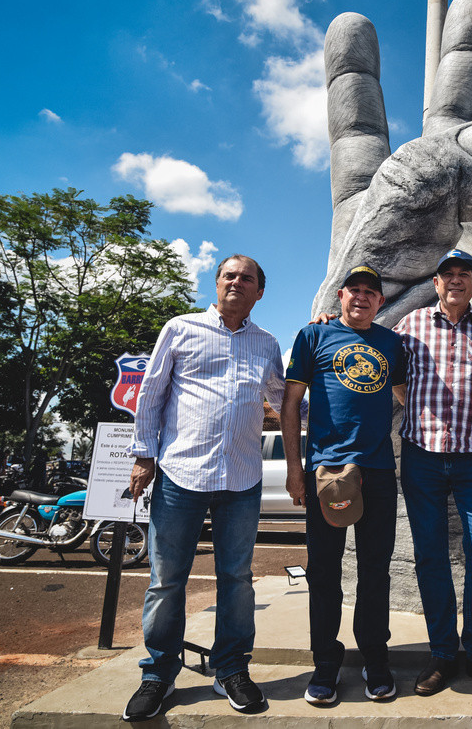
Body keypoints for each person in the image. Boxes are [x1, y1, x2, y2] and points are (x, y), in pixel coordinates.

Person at [122, 255, 285, 722]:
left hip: (242, 478)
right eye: (229, 275)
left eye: (247, 278)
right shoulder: (180, 328)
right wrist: (143, 455)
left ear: (259, 292)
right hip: (181, 475)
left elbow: (282, 398)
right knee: (166, 579)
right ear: (216, 284)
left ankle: (230, 669)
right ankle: (159, 674)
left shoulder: (267, 343)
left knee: (237, 579)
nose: (237, 282)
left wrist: (337, 421)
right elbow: (151, 393)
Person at [281, 263, 406, 705]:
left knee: (375, 570)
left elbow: (406, 394)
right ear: (341, 296)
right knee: (323, 570)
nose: (362, 296)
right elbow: (290, 405)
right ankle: (326, 662)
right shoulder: (313, 336)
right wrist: (295, 470)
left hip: (378, 471)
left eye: (371, 291)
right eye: (355, 289)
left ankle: (375, 657)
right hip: (328, 471)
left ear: (380, 301)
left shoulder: (391, 343)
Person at [391, 249, 472, 698]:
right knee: (430, 555)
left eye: (464, 274)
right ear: (436, 283)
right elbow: (387, 366)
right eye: (448, 275)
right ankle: (442, 652)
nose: (456, 280)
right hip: (421, 457)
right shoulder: (411, 324)